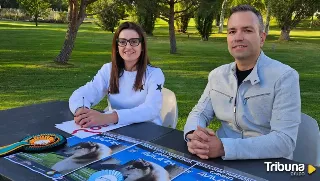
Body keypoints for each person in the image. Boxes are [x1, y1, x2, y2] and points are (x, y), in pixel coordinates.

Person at [184, 4, 301, 160]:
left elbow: (284, 141)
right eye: (232, 31)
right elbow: (200, 112)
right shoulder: (217, 75)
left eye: (247, 30)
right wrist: (194, 134)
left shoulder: (284, 77)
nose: (238, 37)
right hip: (219, 160)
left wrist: (224, 148)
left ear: (262, 38)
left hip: (265, 164)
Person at [69, 22, 165, 128]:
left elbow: (151, 109)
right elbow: (83, 93)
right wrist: (81, 111)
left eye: (134, 41)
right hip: (115, 129)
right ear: (117, 46)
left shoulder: (154, 74)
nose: (128, 47)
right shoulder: (108, 69)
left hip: (147, 130)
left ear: (142, 46)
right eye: (122, 42)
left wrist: (108, 117)